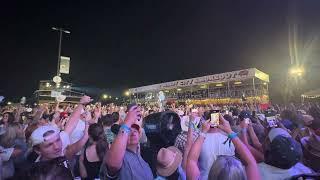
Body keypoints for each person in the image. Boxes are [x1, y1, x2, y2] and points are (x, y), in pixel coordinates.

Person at [186, 114, 260, 180]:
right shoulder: (229, 138)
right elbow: (251, 162)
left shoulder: (199, 140)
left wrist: (203, 132)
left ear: (207, 122)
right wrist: (229, 131)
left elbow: (191, 160)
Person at [29, 96, 92, 165]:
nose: (57, 147)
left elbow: (71, 122)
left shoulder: (56, 139)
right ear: (38, 150)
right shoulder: (38, 173)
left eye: (58, 140)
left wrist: (81, 104)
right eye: (49, 145)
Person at [101, 105, 154, 180]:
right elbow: (113, 164)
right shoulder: (119, 156)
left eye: (135, 130)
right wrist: (127, 122)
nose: (133, 133)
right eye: (129, 130)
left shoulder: (145, 161)